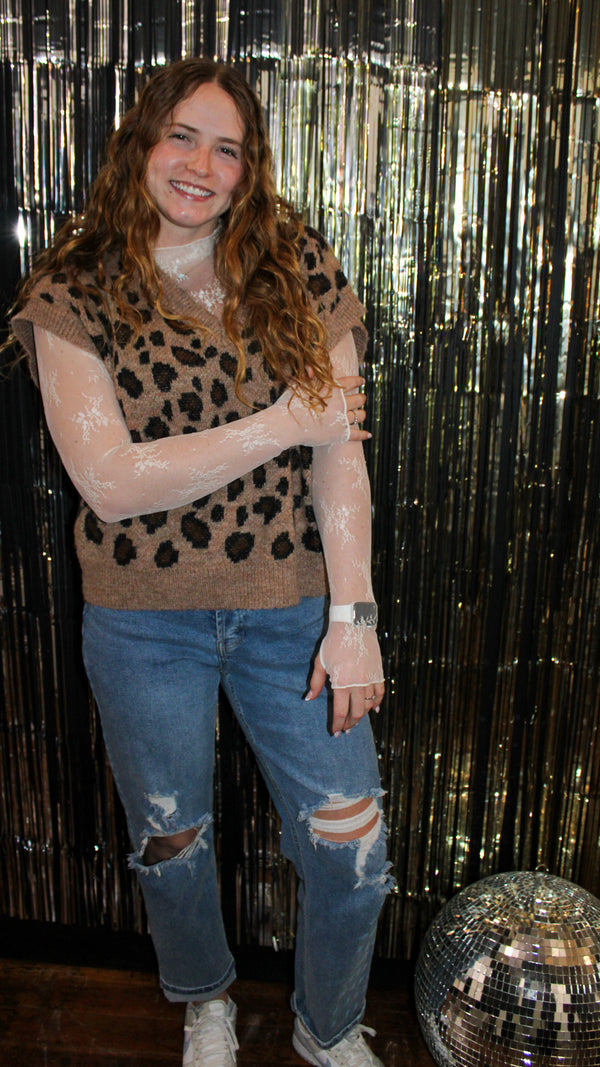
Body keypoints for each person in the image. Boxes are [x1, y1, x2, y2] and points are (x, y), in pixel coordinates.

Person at [10, 57, 390, 1067]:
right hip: (142, 622)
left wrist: (354, 618)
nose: (201, 164)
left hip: (292, 611)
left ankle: (328, 1026)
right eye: (182, 135)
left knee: (353, 845)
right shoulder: (72, 288)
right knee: (171, 842)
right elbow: (110, 482)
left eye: (228, 148)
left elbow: (340, 453)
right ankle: (204, 998)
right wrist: (283, 422)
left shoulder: (294, 263)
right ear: (141, 141)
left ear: (248, 168)